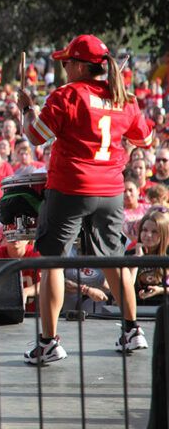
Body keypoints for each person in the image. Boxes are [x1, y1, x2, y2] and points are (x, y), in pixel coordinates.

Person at [17, 34, 154, 364]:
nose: (63, 68)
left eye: (66, 62)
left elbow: (35, 136)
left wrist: (25, 109)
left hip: (70, 188)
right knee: (113, 259)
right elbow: (146, 139)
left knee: (52, 261)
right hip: (111, 191)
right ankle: (133, 330)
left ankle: (48, 343)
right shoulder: (125, 99)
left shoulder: (66, 96)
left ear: (79, 66)